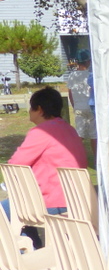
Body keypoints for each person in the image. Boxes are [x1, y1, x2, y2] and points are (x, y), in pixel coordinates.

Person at [3, 87, 87, 247]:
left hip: (53, 200)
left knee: (5, 211)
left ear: (39, 109)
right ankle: (33, 249)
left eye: (31, 107)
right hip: (76, 198)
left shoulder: (42, 132)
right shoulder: (69, 129)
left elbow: (14, 165)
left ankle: (27, 256)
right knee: (19, 211)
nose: (29, 111)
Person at [65, 49, 94, 142]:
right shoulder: (91, 75)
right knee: (94, 136)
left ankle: (77, 155)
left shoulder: (72, 76)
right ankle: (96, 156)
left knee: (79, 135)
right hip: (91, 107)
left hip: (79, 107)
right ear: (88, 61)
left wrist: (74, 106)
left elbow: (70, 93)